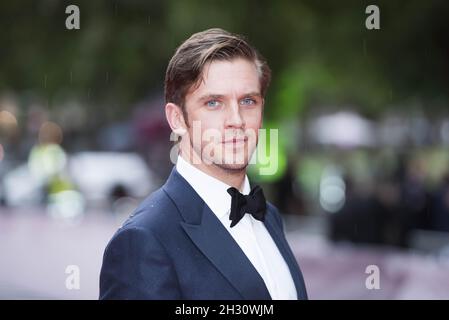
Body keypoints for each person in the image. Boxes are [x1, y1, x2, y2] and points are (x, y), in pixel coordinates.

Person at [99, 28, 308, 300]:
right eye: (213, 103)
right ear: (177, 119)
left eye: (248, 101)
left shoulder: (269, 217)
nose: (237, 119)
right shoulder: (144, 240)